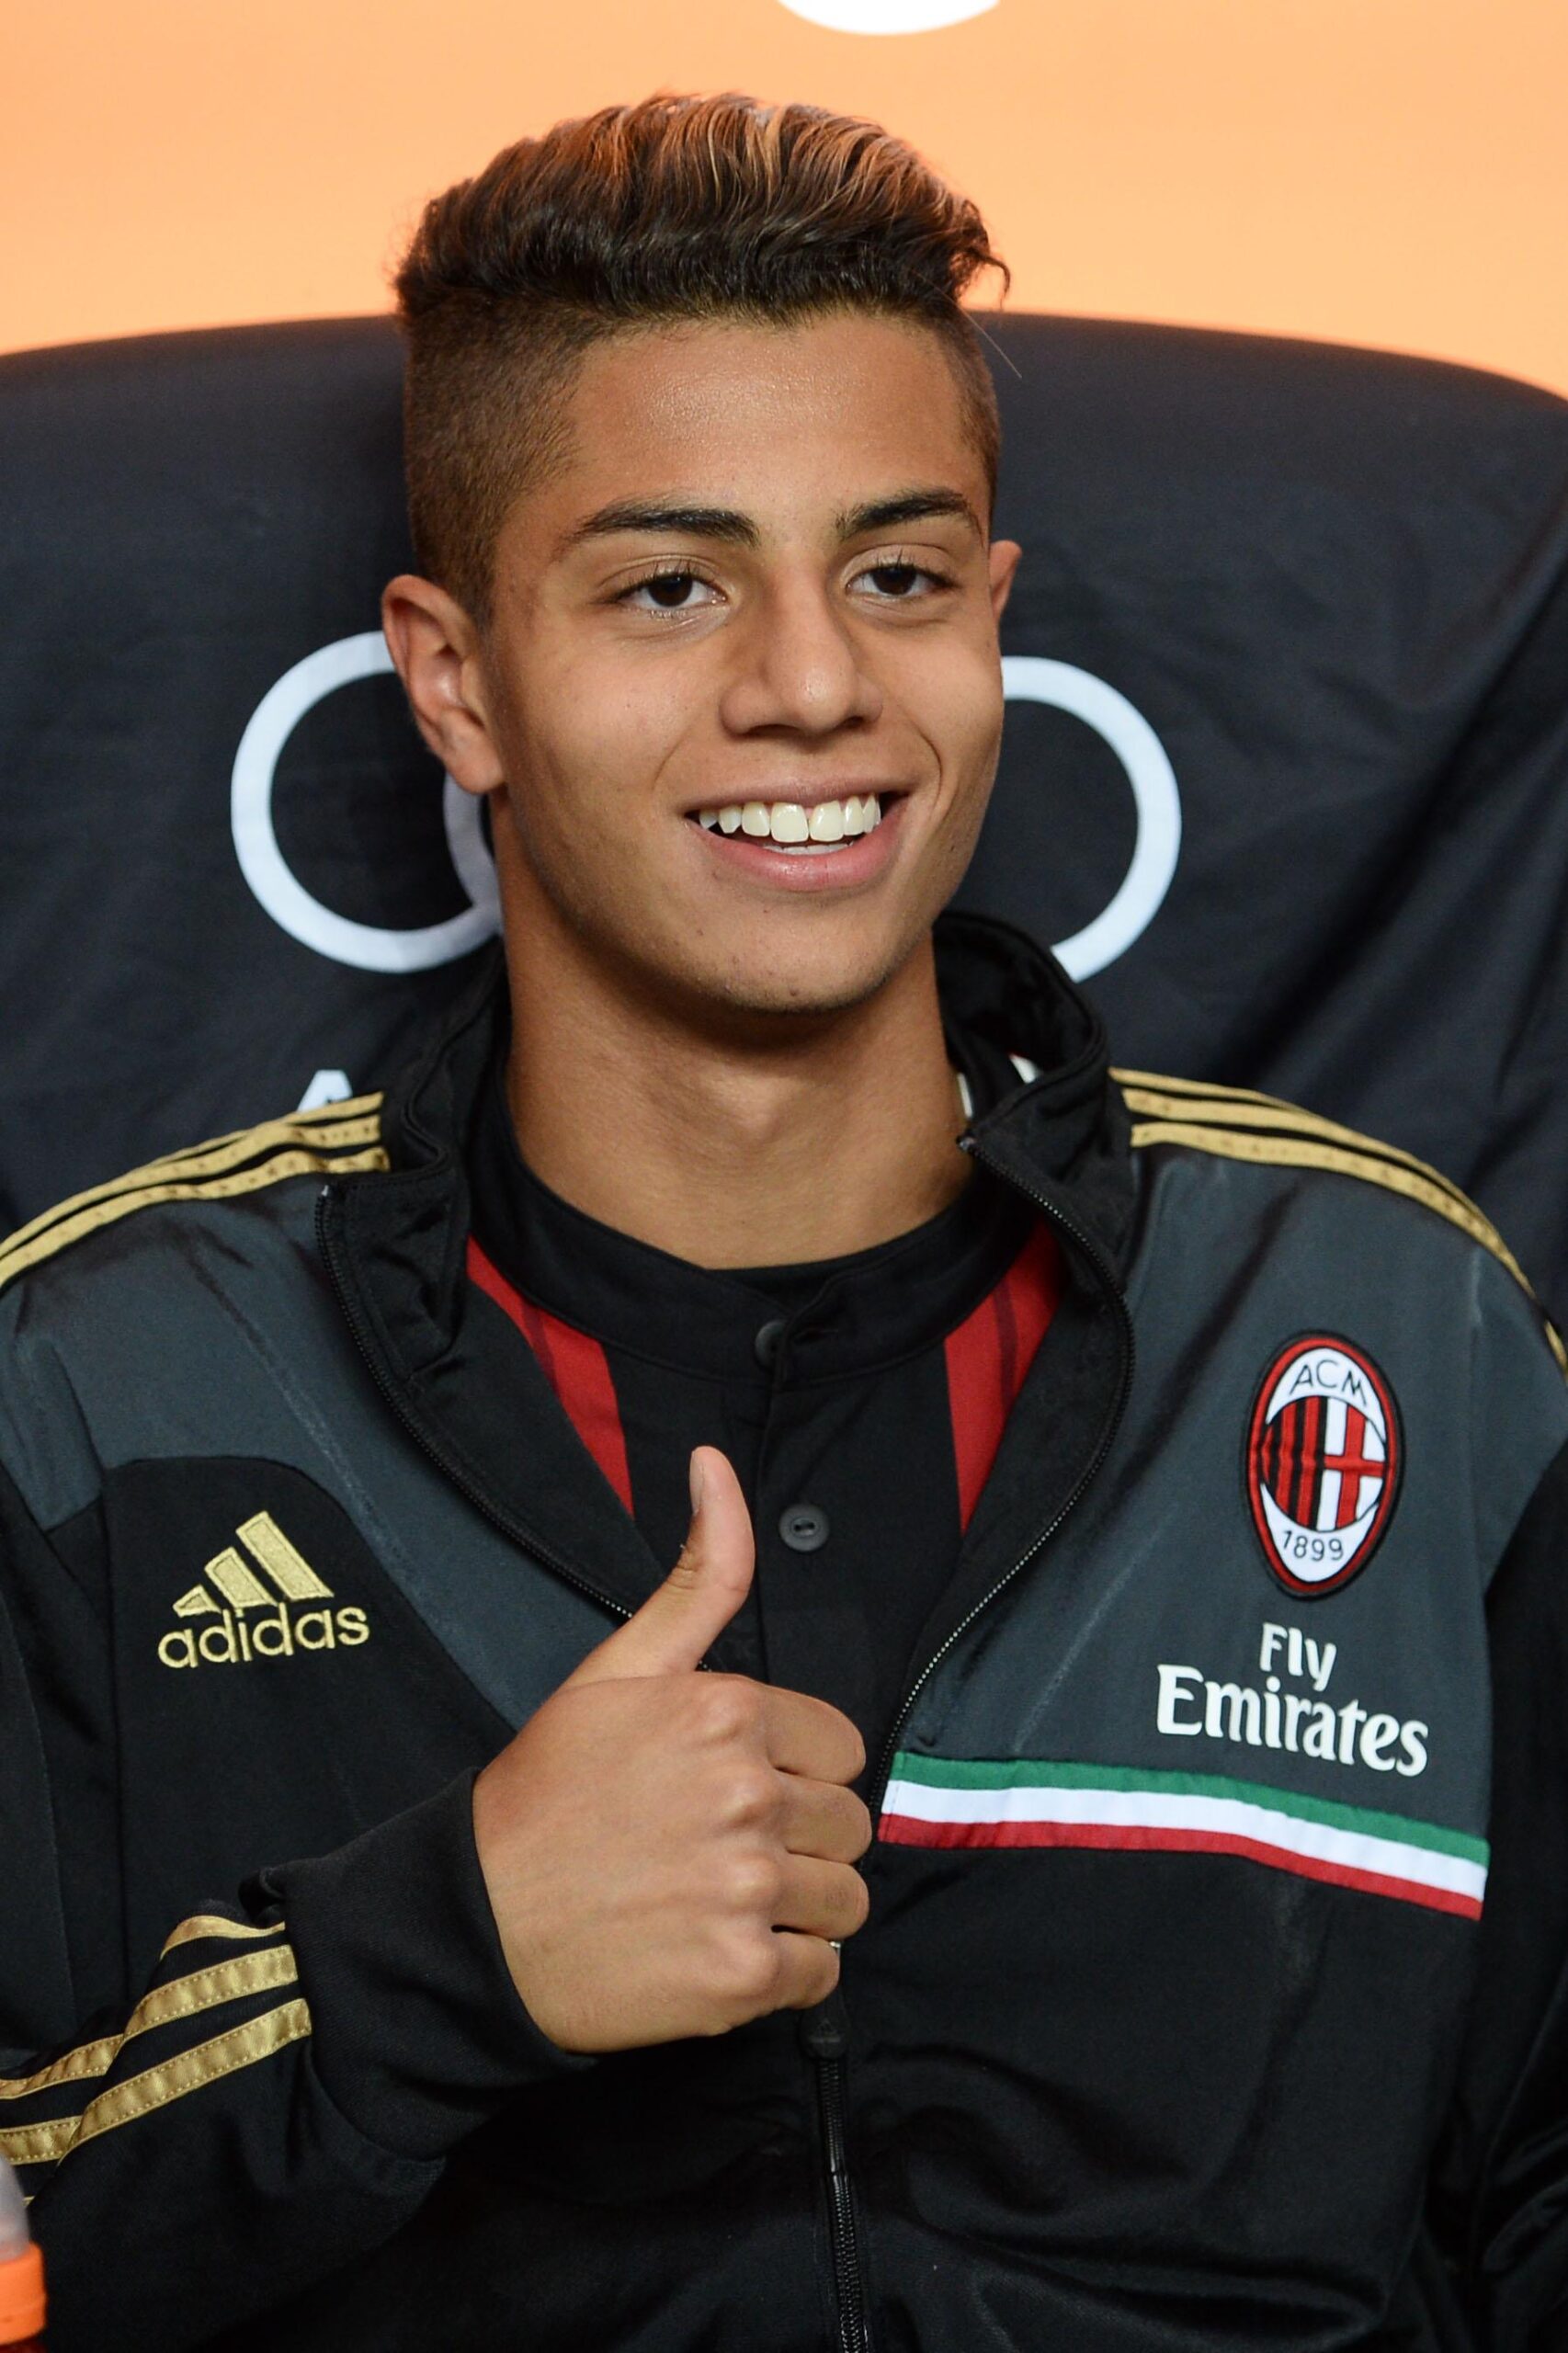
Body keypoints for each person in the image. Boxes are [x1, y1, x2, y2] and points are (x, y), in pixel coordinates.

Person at [2, 91, 1566, 2353]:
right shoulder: (96, 1384)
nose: (814, 683)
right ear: (455, 678)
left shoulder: (1388, 1318)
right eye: (670, 585)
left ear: (994, 621)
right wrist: (436, 1957)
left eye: (897, 576)